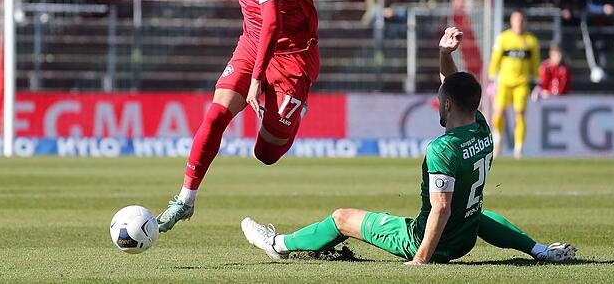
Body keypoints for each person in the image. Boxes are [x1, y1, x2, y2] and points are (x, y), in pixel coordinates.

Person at [240, 27, 576, 265]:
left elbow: (441, 209)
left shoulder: (442, 148)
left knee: (342, 218)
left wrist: (420, 259)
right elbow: (455, 86)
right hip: (464, 236)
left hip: (429, 240)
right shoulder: (481, 127)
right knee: (476, 213)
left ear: (446, 106)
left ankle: (277, 244)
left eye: (440, 98)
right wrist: (445, 55)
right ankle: (540, 250)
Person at [156, 0, 320, 232]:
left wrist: (258, 78)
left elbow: (274, 22)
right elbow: (262, 24)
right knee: (216, 114)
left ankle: (294, 109)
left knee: (266, 153)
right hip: (252, 44)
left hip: (291, 56)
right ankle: (185, 199)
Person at [488, 10, 540, 159]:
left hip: (522, 84)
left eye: (522, 20)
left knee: (520, 115)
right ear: (511, 21)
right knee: (497, 115)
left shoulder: (531, 41)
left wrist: (537, 83)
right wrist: (491, 80)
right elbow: (495, 60)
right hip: (503, 83)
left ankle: (519, 148)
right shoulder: (503, 39)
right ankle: (498, 142)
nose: (519, 23)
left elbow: (535, 64)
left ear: (525, 22)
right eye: (516, 20)